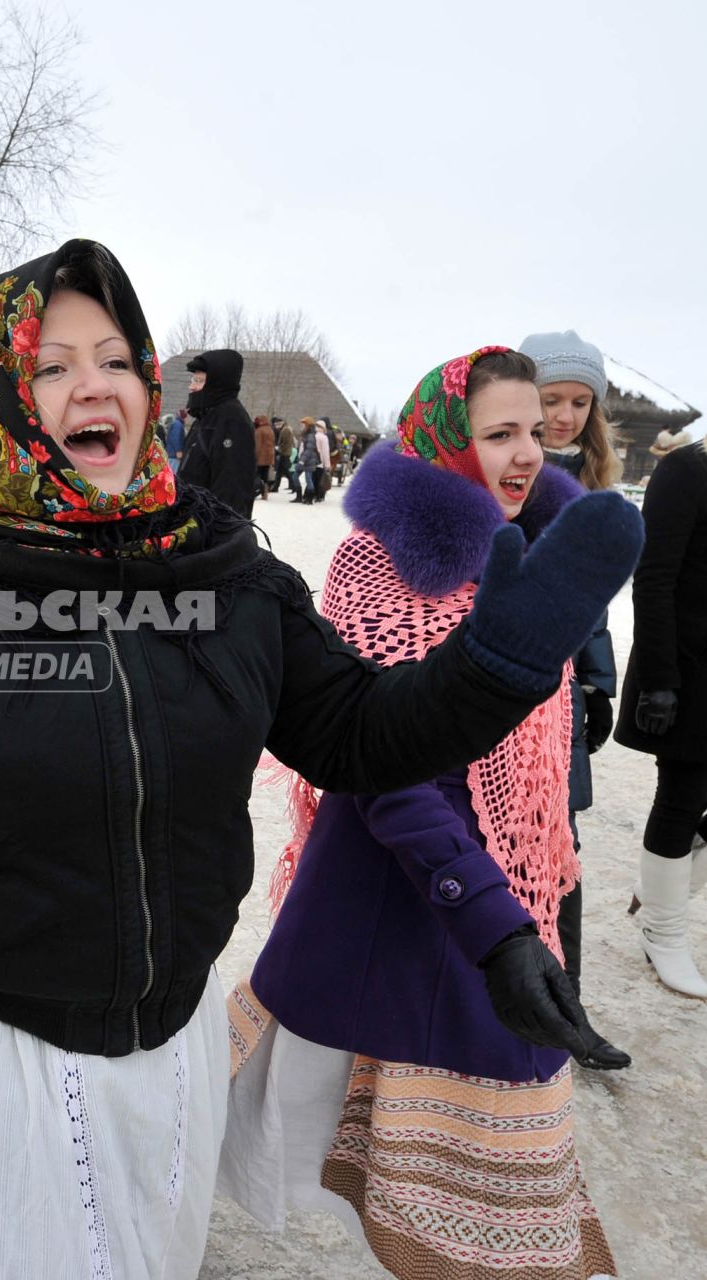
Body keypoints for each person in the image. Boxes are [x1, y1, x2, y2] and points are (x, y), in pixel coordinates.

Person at [0, 240, 641, 1280]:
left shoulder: (222, 565)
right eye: (52, 363)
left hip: (167, 1057)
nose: (95, 384)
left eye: (116, 357)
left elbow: (362, 734)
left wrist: (495, 666)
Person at [222, 347, 621, 1280]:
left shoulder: (539, 558)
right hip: (407, 886)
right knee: (387, 1133)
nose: (529, 452)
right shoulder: (385, 566)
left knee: (464, 1153)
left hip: (502, 886)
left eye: (538, 429)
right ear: (447, 440)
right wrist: (493, 921)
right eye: (500, 434)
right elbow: (388, 773)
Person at [519, 328, 631, 1065]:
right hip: (501, 685)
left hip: (562, 691)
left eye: (577, 402)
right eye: (550, 399)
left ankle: (568, 1007)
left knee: (562, 847)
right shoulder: (504, 468)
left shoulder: (598, 486)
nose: (563, 415)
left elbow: (595, 601)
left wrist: (600, 681)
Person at [615, 432, 707, 997]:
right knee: (682, 800)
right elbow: (652, 580)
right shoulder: (687, 471)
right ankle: (663, 931)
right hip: (690, 671)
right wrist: (660, 680)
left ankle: (660, 884)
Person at [180, 349, 257, 515]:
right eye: (193, 379)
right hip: (191, 522)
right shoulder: (205, 417)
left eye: (199, 381)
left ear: (217, 383)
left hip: (210, 529)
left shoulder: (232, 421)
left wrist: (219, 534)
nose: (191, 386)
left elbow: (232, 493)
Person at [295, 416, 330, 503]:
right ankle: (314, 497)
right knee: (315, 480)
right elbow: (325, 452)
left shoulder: (308, 434)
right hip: (319, 462)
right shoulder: (323, 437)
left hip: (307, 460)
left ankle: (305, 496)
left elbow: (302, 448)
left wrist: (300, 458)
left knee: (309, 479)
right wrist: (327, 465)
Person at [253, 413, 275, 500]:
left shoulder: (259, 431)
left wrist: (255, 457)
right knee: (265, 476)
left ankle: (257, 491)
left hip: (261, 457)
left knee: (257, 474)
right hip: (269, 456)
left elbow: (257, 445)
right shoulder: (270, 430)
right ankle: (265, 493)